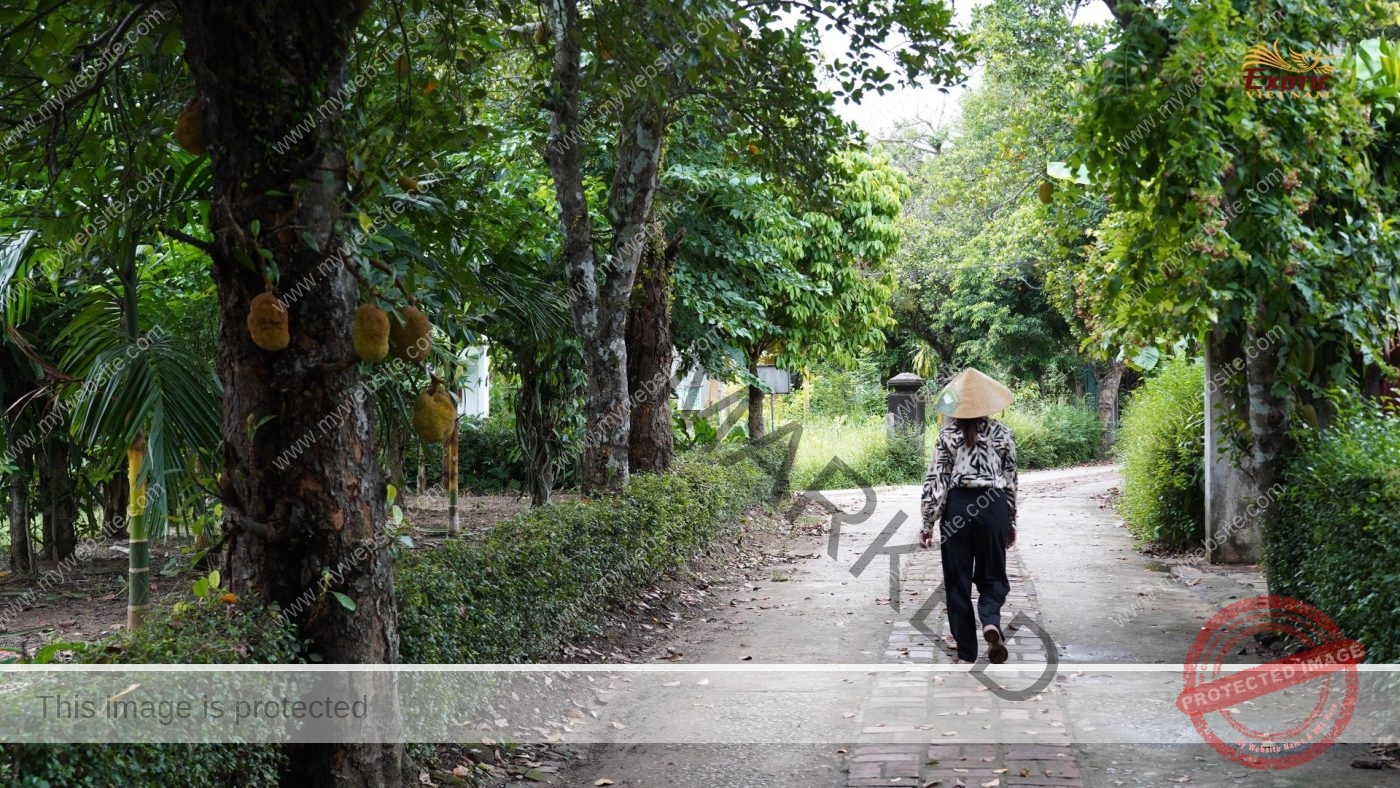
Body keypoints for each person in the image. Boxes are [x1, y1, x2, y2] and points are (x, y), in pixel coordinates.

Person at [918, 367, 1018, 665]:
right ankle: (990, 619)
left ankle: (966, 650)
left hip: (958, 508)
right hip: (993, 506)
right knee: (993, 575)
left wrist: (927, 523)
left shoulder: (947, 435)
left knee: (957, 579)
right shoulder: (1002, 433)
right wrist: (1010, 521)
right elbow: (1011, 479)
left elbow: (936, 481)